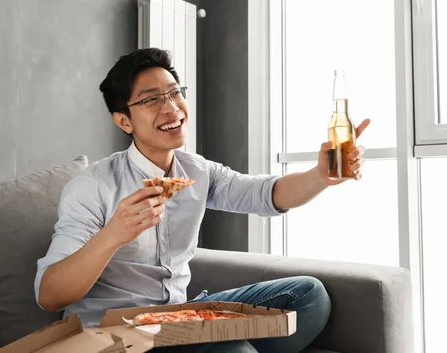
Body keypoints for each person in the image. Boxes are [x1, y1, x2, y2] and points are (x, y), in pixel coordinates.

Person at [34, 48, 370, 352]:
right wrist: (114, 234)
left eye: (175, 93)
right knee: (231, 349)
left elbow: (263, 193)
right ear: (124, 120)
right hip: (115, 336)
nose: (171, 107)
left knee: (309, 297)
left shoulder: (196, 170)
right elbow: (50, 295)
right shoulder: (94, 186)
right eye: (151, 100)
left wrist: (320, 176)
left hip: (178, 320)